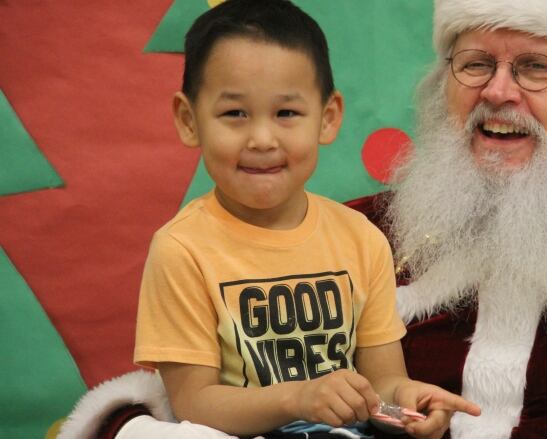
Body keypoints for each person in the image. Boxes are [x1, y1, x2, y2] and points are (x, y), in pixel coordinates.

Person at [59, 0, 547, 438]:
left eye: (534, 68)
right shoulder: (359, 234)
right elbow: (203, 389)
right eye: (475, 64)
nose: (499, 92)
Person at [57, 1, 480, 438]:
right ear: (189, 121)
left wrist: (409, 404)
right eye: (234, 114)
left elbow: (381, 385)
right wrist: (296, 398)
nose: (262, 139)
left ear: (328, 117)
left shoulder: (361, 239)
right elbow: (194, 403)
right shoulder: (183, 249)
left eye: (286, 114)